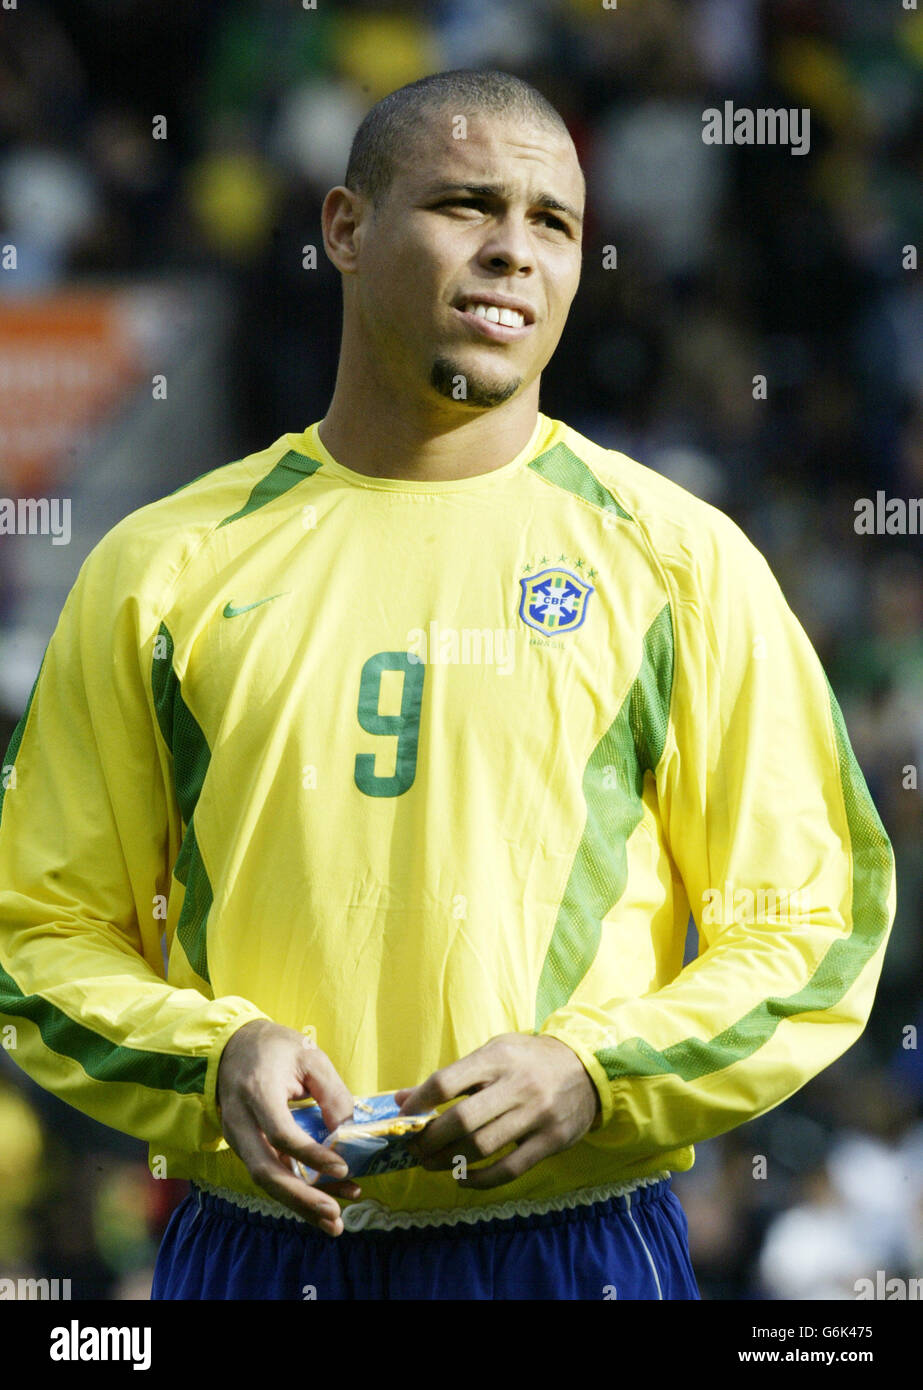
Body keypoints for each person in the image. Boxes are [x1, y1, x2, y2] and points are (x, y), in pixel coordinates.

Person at [0, 70, 896, 1301]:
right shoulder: (162, 568)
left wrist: (594, 1071)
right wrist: (211, 1059)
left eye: (554, 223)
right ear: (346, 229)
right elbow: (36, 928)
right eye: (468, 205)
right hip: (259, 1248)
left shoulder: (679, 560)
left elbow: (811, 922)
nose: (513, 253)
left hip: (575, 1244)